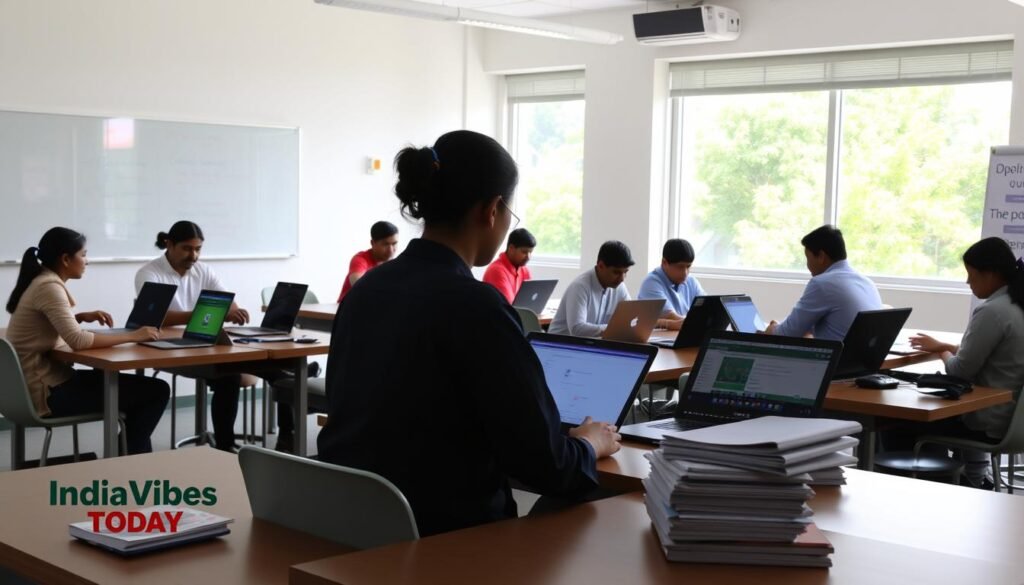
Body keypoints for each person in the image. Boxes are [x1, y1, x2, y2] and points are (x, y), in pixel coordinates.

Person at [318, 130, 619, 536]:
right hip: (450, 543)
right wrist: (588, 443)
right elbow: (548, 465)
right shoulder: (478, 307)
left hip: (352, 528)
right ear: (492, 209)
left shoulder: (366, 291)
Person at [5, 227, 169, 454]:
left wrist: (78, 317)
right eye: (83, 255)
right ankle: (128, 458)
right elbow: (78, 340)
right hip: (47, 394)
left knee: (131, 388)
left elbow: (50, 327)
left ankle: (128, 455)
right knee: (156, 391)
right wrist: (135, 335)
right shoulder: (49, 287)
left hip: (30, 389)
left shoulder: (41, 280)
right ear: (65, 259)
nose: (87, 261)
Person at [886, 237, 1024, 489]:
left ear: (990, 274)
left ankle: (935, 486)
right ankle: (962, 479)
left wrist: (942, 353)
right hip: (1015, 420)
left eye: (971, 275)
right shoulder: (1017, 306)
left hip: (988, 421)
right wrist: (945, 347)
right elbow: (995, 357)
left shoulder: (992, 311)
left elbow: (960, 371)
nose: (967, 282)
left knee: (900, 423)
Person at [135, 220, 249, 452]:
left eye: (198, 249)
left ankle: (227, 444)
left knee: (238, 369)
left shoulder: (203, 270)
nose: (194, 255)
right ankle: (225, 446)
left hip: (202, 343)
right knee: (230, 376)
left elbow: (228, 303)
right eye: (187, 248)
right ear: (169, 244)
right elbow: (157, 318)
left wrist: (233, 311)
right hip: (169, 348)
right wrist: (202, 313)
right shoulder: (149, 273)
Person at [765, 225, 882, 340]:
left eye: (808, 258)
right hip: (863, 358)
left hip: (836, 358)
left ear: (821, 256)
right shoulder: (867, 283)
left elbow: (785, 334)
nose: (807, 265)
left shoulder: (822, 284)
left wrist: (772, 329)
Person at [548, 241, 635, 337]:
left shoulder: (619, 286)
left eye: (625, 272)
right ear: (601, 266)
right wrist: (614, 328)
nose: (622, 279)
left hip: (590, 345)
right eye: (616, 272)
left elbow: (630, 317)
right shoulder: (580, 286)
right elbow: (577, 329)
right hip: (560, 346)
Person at [637, 238, 706, 329]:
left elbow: (705, 310)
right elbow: (671, 316)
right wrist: (699, 324)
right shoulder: (651, 283)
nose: (685, 272)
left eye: (688, 266)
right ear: (664, 263)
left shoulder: (691, 281)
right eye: (680, 267)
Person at [337, 221, 399, 302]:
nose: (391, 250)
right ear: (372, 243)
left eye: (394, 244)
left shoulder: (394, 264)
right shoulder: (360, 260)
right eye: (385, 244)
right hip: (348, 308)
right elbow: (358, 287)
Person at [482, 228, 535, 304]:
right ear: (511, 248)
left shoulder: (524, 270)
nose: (528, 257)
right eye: (524, 252)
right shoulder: (496, 271)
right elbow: (509, 306)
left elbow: (531, 300)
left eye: (530, 252)